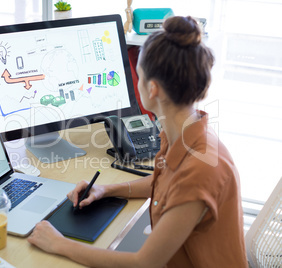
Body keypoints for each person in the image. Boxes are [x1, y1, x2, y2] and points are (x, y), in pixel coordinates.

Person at [28, 16, 248, 268]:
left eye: (138, 76)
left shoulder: (200, 169)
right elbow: (165, 183)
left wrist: (59, 244)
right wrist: (105, 190)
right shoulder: (184, 133)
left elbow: (144, 263)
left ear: (152, 89)